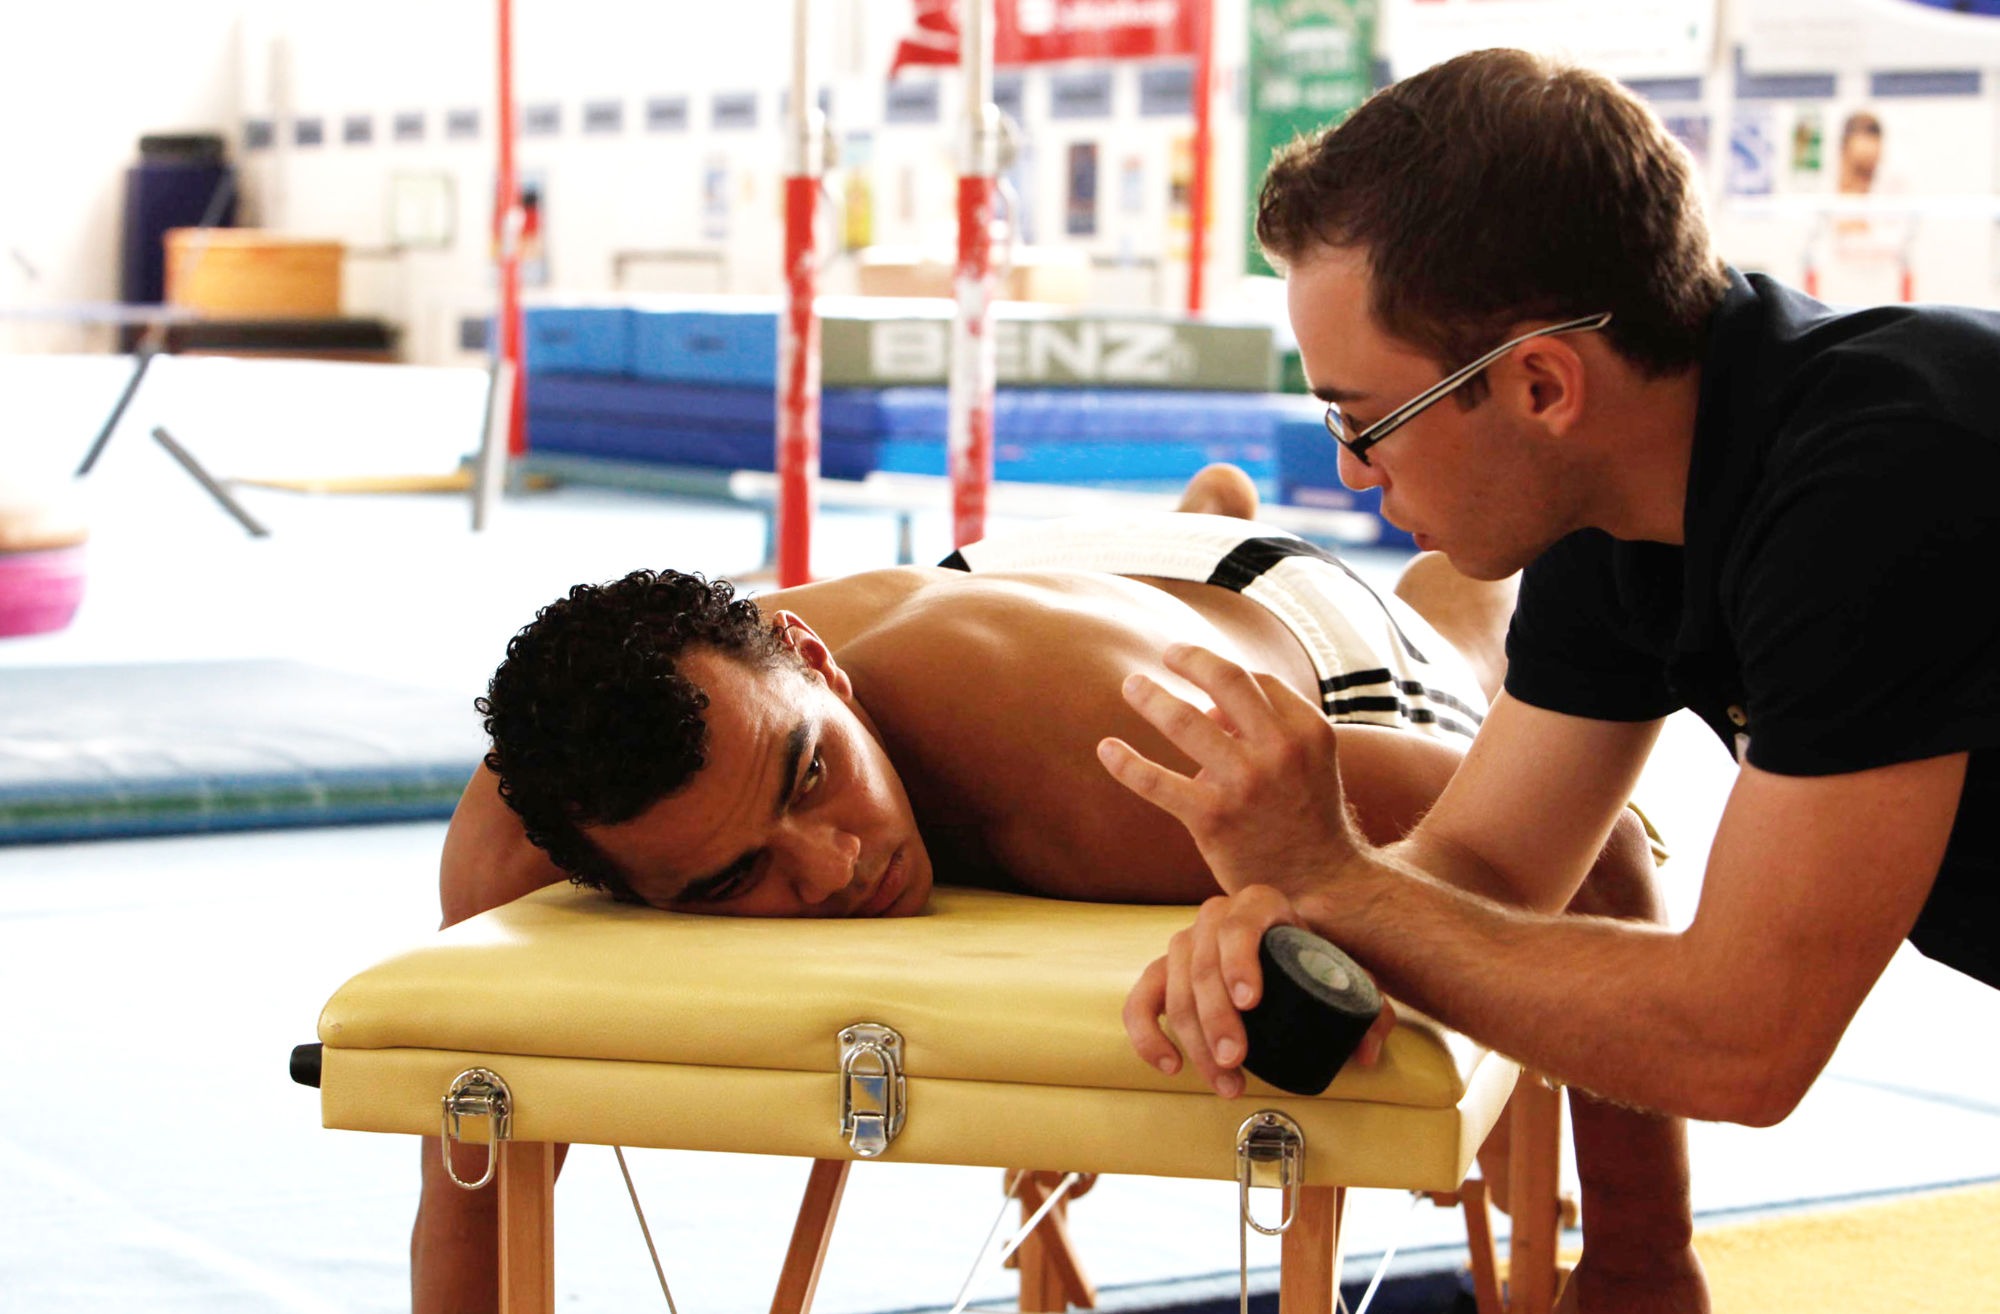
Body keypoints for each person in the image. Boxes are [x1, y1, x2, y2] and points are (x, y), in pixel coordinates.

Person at [1101, 48, 2000, 1314]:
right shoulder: (1620, 505)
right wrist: (1286, 921)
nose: (1353, 473)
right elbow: (1485, 865)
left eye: (1360, 419)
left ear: (1536, 383)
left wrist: (1339, 882)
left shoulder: (1877, 480)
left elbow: (1743, 1039)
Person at [413, 466, 1683, 1310]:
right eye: (738, 877)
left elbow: (1605, 856)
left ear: (817, 664)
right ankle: (1198, 511)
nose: (835, 863)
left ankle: (1406, 577)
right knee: (1114, 616)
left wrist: (1639, 1254)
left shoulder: (1092, 774)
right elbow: (463, 1178)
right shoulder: (515, 849)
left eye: (813, 777)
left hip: (1287, 633)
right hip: (1047, 568)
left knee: (1465, 633)